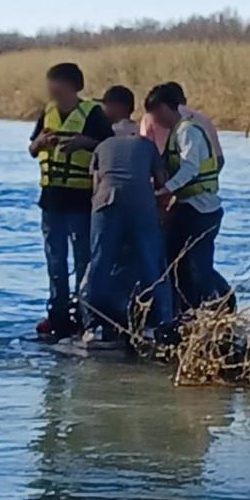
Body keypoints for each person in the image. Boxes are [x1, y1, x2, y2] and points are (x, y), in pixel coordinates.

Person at [80, 86, 173, 340]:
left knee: (100, 262)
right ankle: (161, 322)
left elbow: (96, 185)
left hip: (105, 204)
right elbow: (161, 181)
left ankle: (93, 324)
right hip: (141, 204)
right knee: (151, 262)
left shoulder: (103, 145)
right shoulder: (146, 145)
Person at [29, 63, 114, 338]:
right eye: (49, 83)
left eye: (56, 84)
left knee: (82, 261)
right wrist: (39, 142)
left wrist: (84, 143)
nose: (51, 89)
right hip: (51, 199)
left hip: (80, 200)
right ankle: (57, 315)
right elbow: (32, 149)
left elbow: (110, 147)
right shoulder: (48, 112)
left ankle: (83, 316)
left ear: (72, 87)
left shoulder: (92, 113)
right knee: (55, 260)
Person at [145, 84, 226, 310]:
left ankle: (212, 312)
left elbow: (190, 168)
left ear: (163, 108)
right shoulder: (176, 132)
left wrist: (167, 189)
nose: (155, 121)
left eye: (155, 114)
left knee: (199, 266)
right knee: (175, 261)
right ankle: (186, 311)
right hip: (186, 206)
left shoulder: (187, 131)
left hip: (202, 209)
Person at [138, 81, 225, 170]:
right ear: (184, 101)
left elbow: (143, 153)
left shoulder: (150, 117)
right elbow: (219, 160)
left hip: (170, 174)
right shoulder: (204, 120)